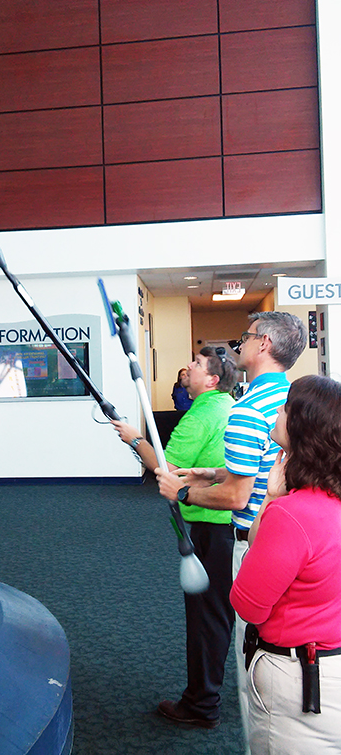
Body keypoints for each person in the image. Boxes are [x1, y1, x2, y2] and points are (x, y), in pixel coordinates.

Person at [155, 311, 307, 748]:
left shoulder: (246, 409)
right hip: (291, 540)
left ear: (263, 346)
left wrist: (181, 493)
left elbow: (238, 500)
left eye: (246, 337)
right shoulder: (294, 398)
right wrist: (211, 473)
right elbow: (258, 472)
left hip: (252, 542)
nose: (238, 344)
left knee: (252, 662)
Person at [113, 346, 238, 728]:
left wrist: (135, 440)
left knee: (204, 619)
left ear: (212, 380)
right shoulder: (228, 405)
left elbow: (170, 471)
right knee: (217, 613)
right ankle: (209, 691)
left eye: (198, 365)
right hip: (227, 526)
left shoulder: (200, 415)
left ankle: (200, 705)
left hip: (208, 526)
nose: (189, 367)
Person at [230, 375, 341, 754]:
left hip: (299, 684)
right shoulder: (329, 502)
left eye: (284, 407)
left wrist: (269, 504)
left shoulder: (292, 516)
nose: (276, 412)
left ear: (302, 426)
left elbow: (248, 604)